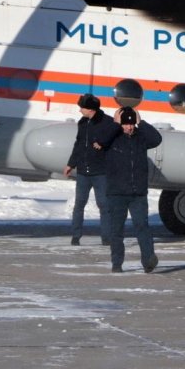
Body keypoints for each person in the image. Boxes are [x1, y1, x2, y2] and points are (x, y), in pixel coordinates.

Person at [102, 106, 162, 273]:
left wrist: (141, 122)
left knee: (142, 226)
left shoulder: (140, 138)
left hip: (138, 194)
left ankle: (148, 261)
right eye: (125, 124)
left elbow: (156, 139)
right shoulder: (112, 138)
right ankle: (117, 263)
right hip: (116, 193)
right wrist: (115, 124)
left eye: (131, 124)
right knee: (117, 230)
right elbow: (101, 140)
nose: (129, 127)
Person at [64, 93, 117, 246]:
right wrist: (71, 164)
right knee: (79, 204)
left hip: (101, 172)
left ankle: (107, 238)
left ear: (91, 109)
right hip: (83, 171)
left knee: (104, 205)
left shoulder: (107, 122)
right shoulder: (82, 123)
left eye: (82, 108)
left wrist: (102, 142)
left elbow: (117, 130)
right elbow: (78, 145)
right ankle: (76, 236)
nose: (80, 110)